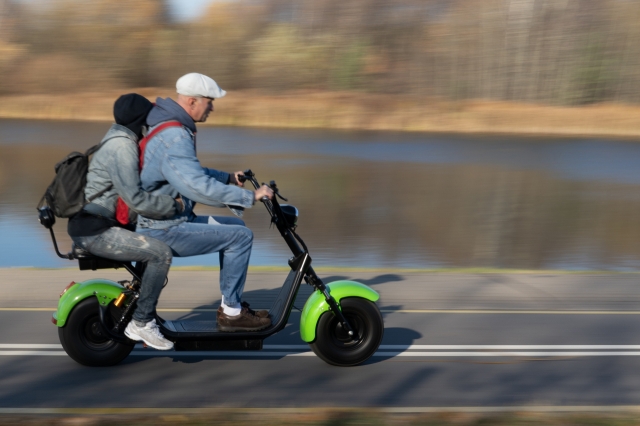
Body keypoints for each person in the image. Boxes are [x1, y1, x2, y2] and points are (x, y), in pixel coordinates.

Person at [136, 73, 273, 332]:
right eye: (209, 101)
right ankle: (232, 313)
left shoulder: (169, 126)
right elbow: (196, 187)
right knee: (240, 238)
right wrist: (249, 197)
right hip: (162, 227)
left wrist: (228, 178)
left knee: (238, 229)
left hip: (168, 218)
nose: (212, 107)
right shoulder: (175, 135)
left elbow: (188, 172)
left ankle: (232, 305)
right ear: (191, 101)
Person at [67, 93, 182, 350]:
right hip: (95, 231)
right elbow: (137, 200)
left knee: (158, 238)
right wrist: (174, 206)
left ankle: (141, 309)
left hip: (97, 224)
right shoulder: (123, 146)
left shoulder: (116, 139)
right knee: (159, 254)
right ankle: (142, 321)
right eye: (148, 116)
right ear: (139, 119)